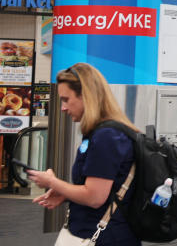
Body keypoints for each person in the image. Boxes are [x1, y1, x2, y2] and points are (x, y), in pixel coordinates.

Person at [28, 63, 140, 246]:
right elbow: (105, 189)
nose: (63, 108)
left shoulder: (107, 137)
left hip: (105, 238)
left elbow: (94, 197)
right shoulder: (104, 133)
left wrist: (51, 182)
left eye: (66, 99)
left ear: (86, 96)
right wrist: (65, 193)